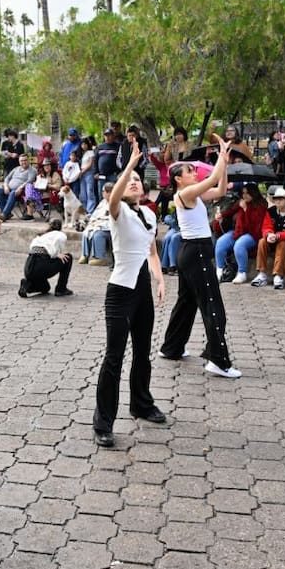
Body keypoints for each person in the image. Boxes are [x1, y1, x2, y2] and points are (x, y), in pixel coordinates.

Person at [92, 145, 171, 450]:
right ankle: (103, 424)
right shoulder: (118, 212)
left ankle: (141, 403)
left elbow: (151, 250)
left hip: (142, 291)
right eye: (130, 180)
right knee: (114, 357)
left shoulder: (149, 215)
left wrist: (160, 279)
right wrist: (130, 166)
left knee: (142, 351)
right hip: (120, 291)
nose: (135, 181)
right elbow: (113, 197)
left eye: (139, 178)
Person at [158, 148, 239, 376]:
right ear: (178, 179)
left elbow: (220, 188)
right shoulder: (185, 194)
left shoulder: (192, 194)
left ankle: (172, 347)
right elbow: (212, 178)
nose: (194, 173)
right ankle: (218, 360)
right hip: (196, 252)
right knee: (212, 304)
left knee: (187, 302)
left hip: (191, 251)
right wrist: (222, 159)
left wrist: (222, 169)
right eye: (190, 171)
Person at [213, 184, 269, 285]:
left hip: (252, 234)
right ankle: (219, 270)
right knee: (221, 242)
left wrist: (245, 210)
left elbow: (253, 226)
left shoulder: (261, 205)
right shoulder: (241, 202)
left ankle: (242, 272)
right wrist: (221, 215)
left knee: (240, 244)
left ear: (254, 193)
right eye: (243, 193)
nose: (245, 195)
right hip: (238, 231)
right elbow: (230, 211)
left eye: (247, 193)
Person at [252, 186, 285, 290]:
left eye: (280, 199)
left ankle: (278, 276)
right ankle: (261, 274)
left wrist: (278, 236)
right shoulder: (271, 211)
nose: (277, 201)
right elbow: (266, 226)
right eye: (276, 199)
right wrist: (269, 234)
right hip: (272, 239)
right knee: (262, 242)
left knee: (282, 244)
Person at [19, 219, 74, 298]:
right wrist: (56, 255)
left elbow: (33, 248)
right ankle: (61, 289)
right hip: (42, 264)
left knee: (46, 288)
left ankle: (27, 285)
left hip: (29, 267)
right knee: (68, 258)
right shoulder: (60, 235)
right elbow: (59, 252)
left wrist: (53, 254)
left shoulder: (41, 235)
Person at [79, 184, 115, 266]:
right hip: (98, 223)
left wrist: (100, 222)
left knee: (98, 234)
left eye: (104, 191)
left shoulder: (116, 203)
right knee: (87, 231)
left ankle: (99, 258)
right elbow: (95, 215)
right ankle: (85, 255)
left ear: (109, 193)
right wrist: (92, 222)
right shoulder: (103, 202)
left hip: (108, 227)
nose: (102, 193)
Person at [0, 154, 36, 220]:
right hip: (9, 189)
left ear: (28, 160)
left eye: (25, 160)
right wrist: (6, 186)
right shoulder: (16, 169)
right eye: (21, 161)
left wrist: (20, 187)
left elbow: (29, 181)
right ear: (19, 162)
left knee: (13, 193)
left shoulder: (32, 170)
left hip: (21, 191)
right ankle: (7, 213)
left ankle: (4, 214)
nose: (23, 162)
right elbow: (7, 178)